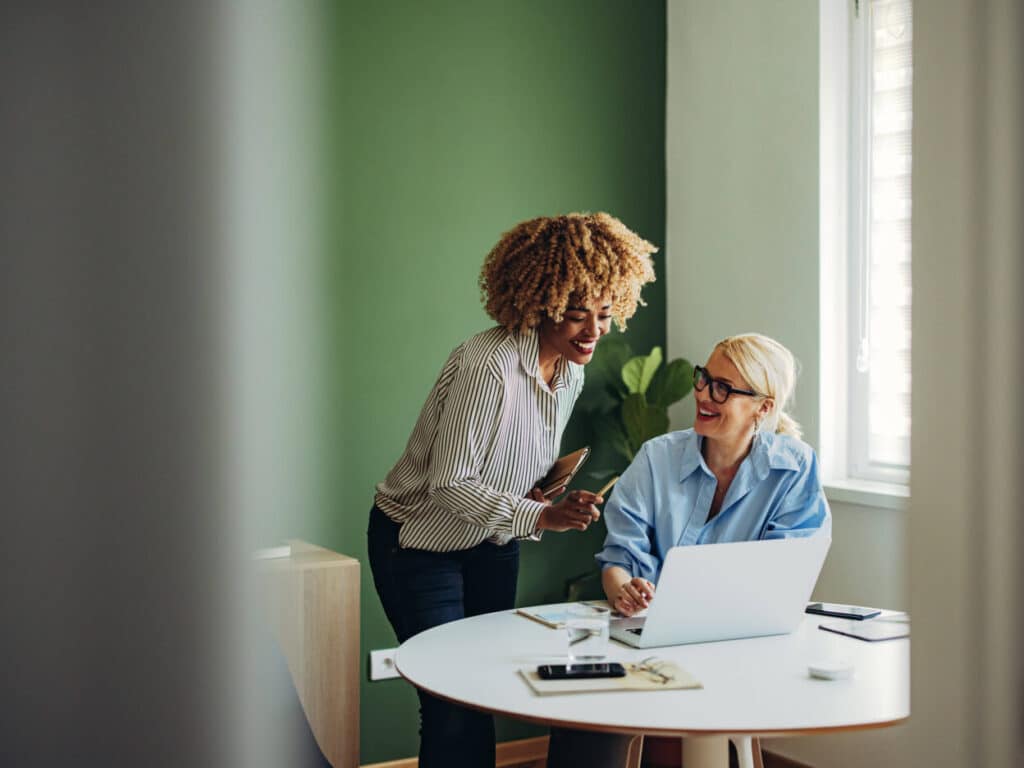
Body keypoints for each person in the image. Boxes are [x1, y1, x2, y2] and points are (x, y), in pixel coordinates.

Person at [367, 212, 657, 768]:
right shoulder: (487, 366)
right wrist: (540, 519)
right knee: (450, 700)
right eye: (576, 316)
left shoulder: (568, 371)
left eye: (603, 314)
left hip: (493, 541)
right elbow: (449, 481)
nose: (593, 332)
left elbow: (511, 467)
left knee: (481, 688)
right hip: (418, 545)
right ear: (538, 303)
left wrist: (550, 500)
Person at [546, 333, 831, 768]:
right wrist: (624, 588)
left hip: (742, 642)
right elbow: (620, 557)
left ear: (764, 407)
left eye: (723, 388)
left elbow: (783, 571)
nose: (703, 394)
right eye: (705, 378)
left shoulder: (795, 467)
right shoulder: (656, 458)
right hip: (648, 633)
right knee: (583, 694)